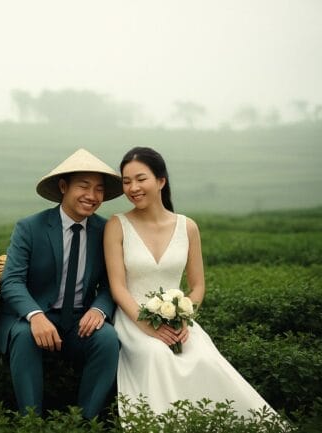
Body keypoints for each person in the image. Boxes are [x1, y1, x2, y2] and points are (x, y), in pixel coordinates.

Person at [103, 146, 278, 418]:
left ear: (161, 181)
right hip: (132, 319)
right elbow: (117, 287)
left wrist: (184, 318)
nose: (133, 187)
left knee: (205, 359)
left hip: (177, 322)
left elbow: (197, 287)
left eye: (141, 179)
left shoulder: (188, 227)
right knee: (156, 355)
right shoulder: (117, 225)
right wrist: (147, 326)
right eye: (126, 181)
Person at [0, 148, 122, 419]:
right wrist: (35, 315)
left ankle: (85, 421)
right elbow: (11, 281)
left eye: (99, 189)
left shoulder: (105, 230)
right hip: (36, 316)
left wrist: (99, 309)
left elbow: (113, 284)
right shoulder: (30, 227)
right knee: (25, 335)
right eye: (84, 186)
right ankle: (32, 421)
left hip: (79, 320)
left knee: (108, 339)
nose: (92, 196)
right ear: (63, 187)